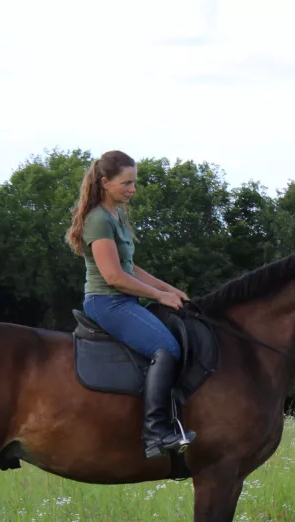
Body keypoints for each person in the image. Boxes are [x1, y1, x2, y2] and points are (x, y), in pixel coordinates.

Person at [65, 150, 195, 459]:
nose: (132, 189)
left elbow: (130, 268)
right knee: (166, 349)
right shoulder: (98, 220)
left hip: (124, 297)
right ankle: (155, 434)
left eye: (134, 183)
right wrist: (159, 296)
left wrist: (169, 288)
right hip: (106, 301)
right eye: (127, 183)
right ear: (106, 182)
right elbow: (113, 276)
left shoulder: (118, 214)